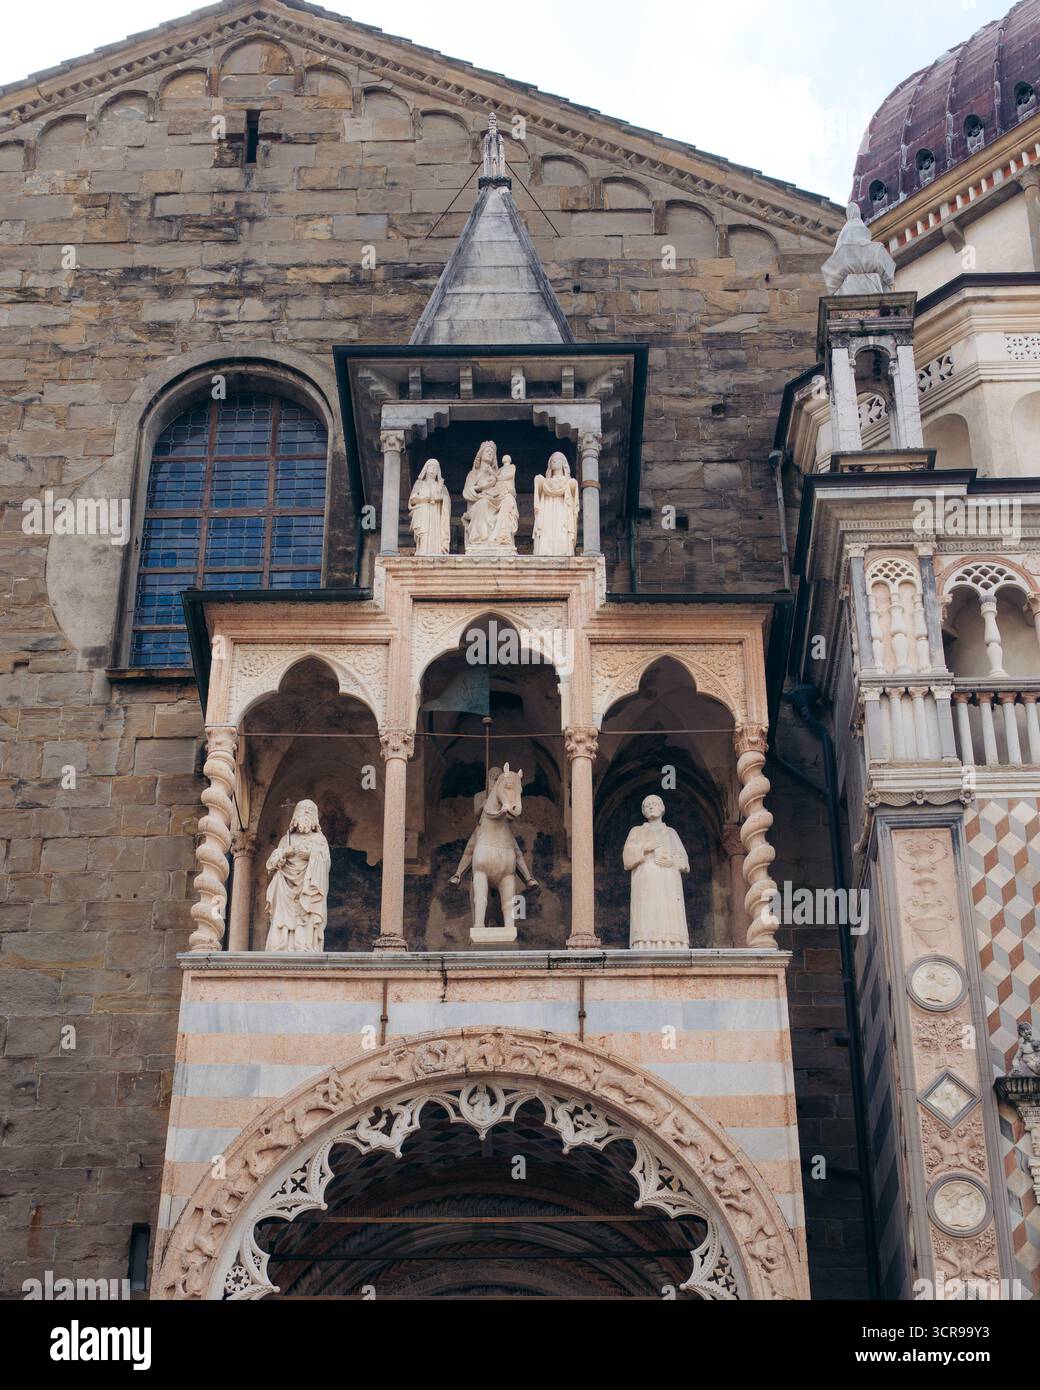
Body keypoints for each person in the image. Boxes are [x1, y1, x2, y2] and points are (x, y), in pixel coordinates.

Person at [622, 794, 690, 948]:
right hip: (645, 881)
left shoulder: (671, 833)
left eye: (655, 804)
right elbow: (627, 858)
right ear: (643, 812)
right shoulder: (637, 831)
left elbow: (684, 861)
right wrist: (647, 847)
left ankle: (672, 944)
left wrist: (672, 862)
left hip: (668, 881)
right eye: (647, 805)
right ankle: (645, 944)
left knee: (668, 914)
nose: (651, 807)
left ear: (662, 808)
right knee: (647, 915)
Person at [264, 799, 331, 952]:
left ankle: (304, 946)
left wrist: (311, 855)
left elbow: (325, 865)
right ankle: (281, 946)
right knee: (280, 924)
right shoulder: (286, 839)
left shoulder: (319, 840)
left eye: (309, 811)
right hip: (284, 888)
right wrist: (284, 852)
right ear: (295, 815)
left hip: (307, 888)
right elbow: (271, 866)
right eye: (302, 810)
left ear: (315, 817)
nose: (305, 813)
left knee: (305, 917)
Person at [532, 451, 579, 556]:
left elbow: (573, 491)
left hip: (562, 510)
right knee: (546, 530)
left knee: (561, 531)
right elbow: (539, 490)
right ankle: (544, 551)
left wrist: (571, 485)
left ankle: (563, 551)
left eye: (557, 459)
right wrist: (539, 481)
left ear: (563, 463)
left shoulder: (569, 482)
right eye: (552, 459)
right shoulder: (545, 481)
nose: (554, 460)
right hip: (547, 509)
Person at [408, 459, 451, 555]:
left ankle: (436, 551)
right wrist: (424, 499)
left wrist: (440, 498)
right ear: (426, 469)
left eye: (436, 467)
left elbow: (446, 500)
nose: (433, 469)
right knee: (424, 533)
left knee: (435, 533)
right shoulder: (419, 483)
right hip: (422, 511)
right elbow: (412, 500)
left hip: (435, 513)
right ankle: (422, 551)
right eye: (430, 466)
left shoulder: (441, 486)